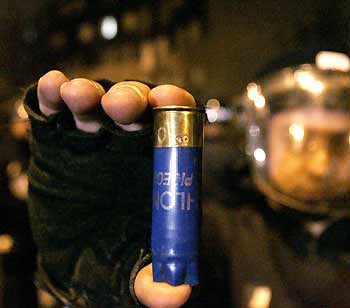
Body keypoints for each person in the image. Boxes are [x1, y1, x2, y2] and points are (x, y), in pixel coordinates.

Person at [23, 50, 350, 308]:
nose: (320, 165)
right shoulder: (214, 235)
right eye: (301, 140)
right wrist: (99, 283)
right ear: (260, 137)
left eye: (339, 142)